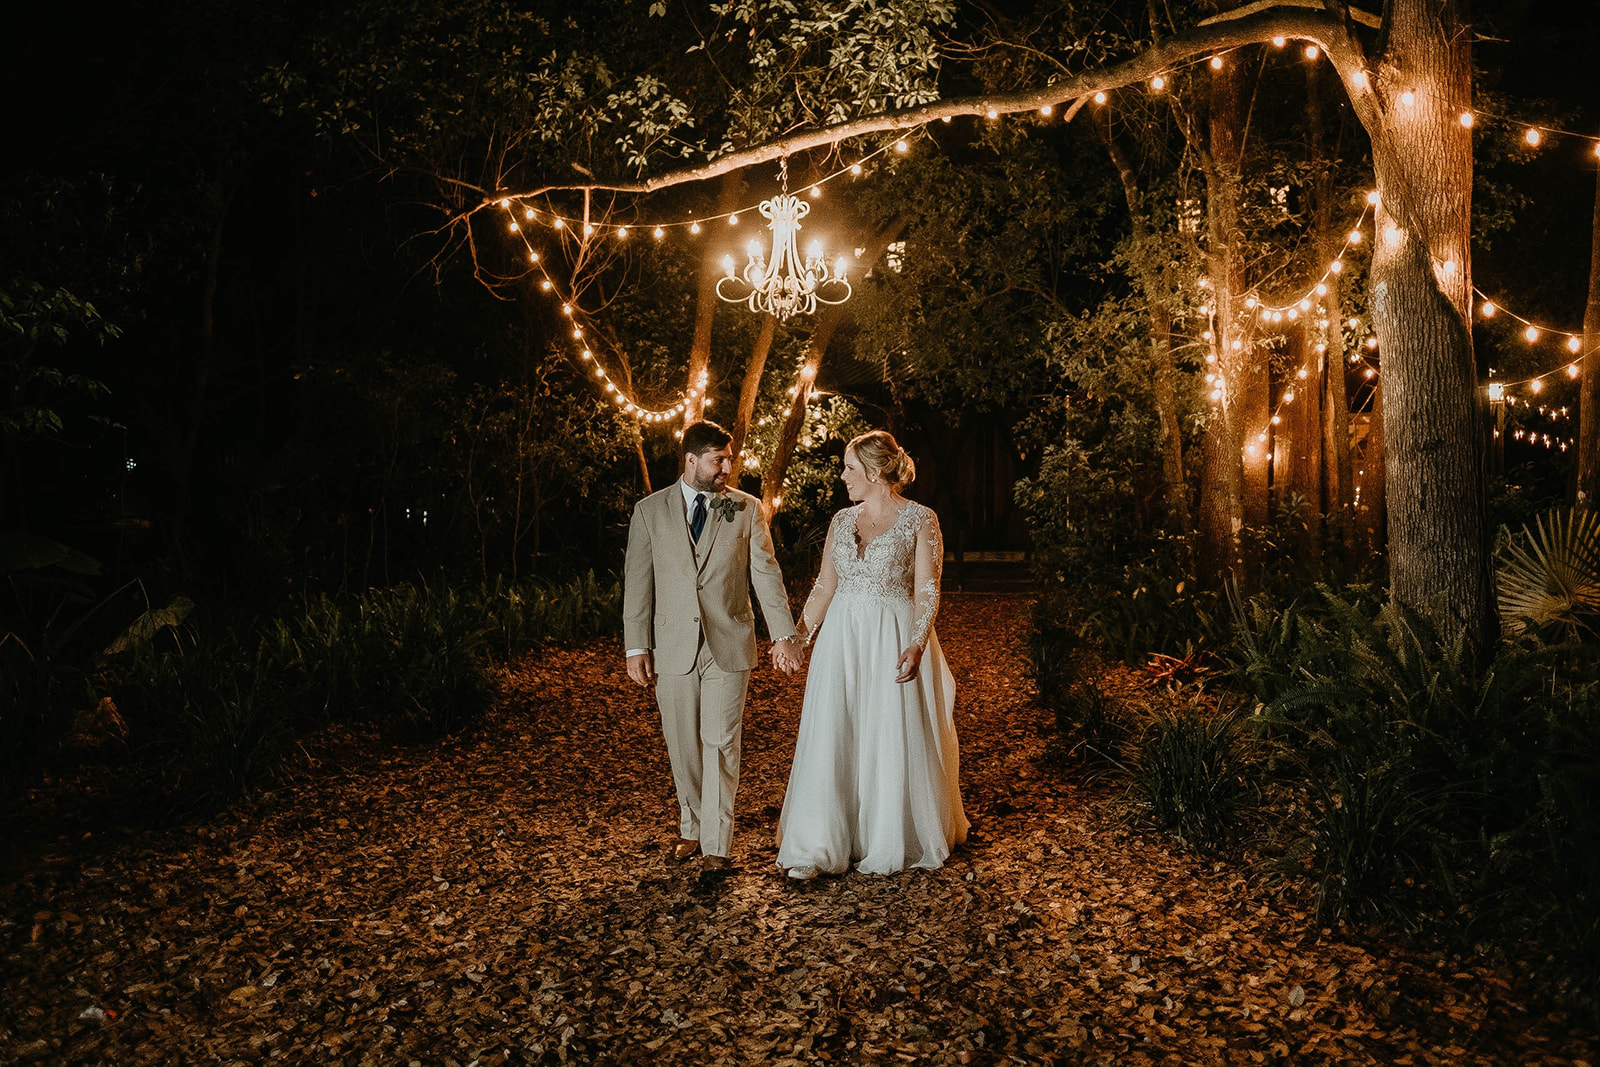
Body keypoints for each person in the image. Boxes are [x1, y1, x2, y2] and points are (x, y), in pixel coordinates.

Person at [775, 430, 968, 880]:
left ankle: (886, 834)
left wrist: (918, 642)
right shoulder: (842, 521)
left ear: (876, 472)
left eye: (849, 468)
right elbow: (825, 585)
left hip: (892, 636)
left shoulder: (921, 520)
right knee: (833, 729)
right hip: (842, 639)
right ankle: (818, 843)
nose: (842, 477)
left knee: (887, 732)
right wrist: (799, 638)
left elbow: (927, 588)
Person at [624, 420, 804, 873]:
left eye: (729, 459)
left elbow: (766, 574)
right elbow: (638, 583)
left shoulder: (746, 509)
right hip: (673, 645)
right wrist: (635, 646)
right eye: (717, 459)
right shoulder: (649, 512)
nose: (727, 467)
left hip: (729, 643)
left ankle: (717, 844)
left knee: (721, 741)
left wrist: (783, 634)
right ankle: (691, 826)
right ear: (691, 460)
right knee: (682, 742)